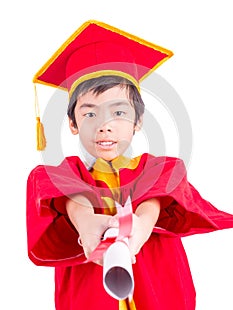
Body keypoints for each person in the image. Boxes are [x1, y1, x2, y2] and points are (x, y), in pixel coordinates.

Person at [27, 20, 233, 310]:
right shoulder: (63, 173)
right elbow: (68, 197)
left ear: (138, 122)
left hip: (160, 288)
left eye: (119, 112)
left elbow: (156, 199)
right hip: (89, 294)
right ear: (72, 124)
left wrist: (142, 226)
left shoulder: (158, 168)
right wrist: (86, 225)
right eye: (89, 115)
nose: (105, 126)